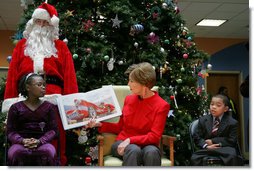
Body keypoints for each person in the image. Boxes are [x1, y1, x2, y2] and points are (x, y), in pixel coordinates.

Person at [4, 2, 78, 165]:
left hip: (54, 100)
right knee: (19, 138)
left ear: (52, 25)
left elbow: (70, 77)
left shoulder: (60, 47)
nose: (42, 25)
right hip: (24, 100)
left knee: (56, 140)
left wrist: (71, 107)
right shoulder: (21, 47)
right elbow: (12, 77)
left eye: (46, 22)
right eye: (39, 21)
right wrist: (10, 104)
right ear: (33, 23)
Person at [87, 62, 170, 166]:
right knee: (133, 150)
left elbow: (154, 136)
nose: (128, 84)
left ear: (144, 83)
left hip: (147, 145)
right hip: (122, 143)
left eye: (131, 81)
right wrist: (99, 124)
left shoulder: (162, 105)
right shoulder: (129, 99)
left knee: (152, 152)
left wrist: (130, 140)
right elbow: (119, 127)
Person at [7, 73, 58, 166]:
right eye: (39, 85)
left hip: (43, 143)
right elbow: (10, 132)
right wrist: (23, 141)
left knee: (49, 152)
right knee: (15, 153)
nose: (43, 87)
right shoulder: (15, 108)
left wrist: (39, 141)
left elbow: (53, 131)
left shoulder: (49, 107)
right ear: (28, 87)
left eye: (44, 85)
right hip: (21, 143)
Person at [190, 94, 243, 166]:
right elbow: (197, 137)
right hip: (207, 149)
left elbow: (232, 140)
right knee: (195, 157)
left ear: (225, 109)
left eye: (218, 105)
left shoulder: (232, 122)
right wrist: (206, 145)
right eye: (212, 104)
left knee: (232, 155)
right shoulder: (203, 120)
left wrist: (213, 141)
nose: (213, 107)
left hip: (224, 148)